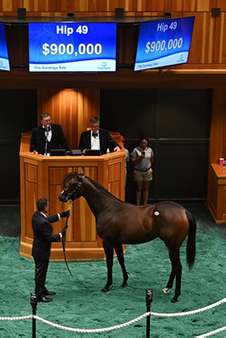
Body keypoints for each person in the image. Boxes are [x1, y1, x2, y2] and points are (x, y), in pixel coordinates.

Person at [32, 198, 70, 303]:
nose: (48, 207)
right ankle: (39, 295)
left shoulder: (36, 216)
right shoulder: (42, 222)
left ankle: (42, 289)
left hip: (38, 250)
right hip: (42, 252)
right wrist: (62, 234)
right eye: (47, 205)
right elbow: (49, 238)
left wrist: (61, 215)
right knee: (40, 274)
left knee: (41, 272)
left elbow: (47, 219)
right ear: (45, 207)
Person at [131, 136, 154, 206]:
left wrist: (148, 165)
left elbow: (152, 159)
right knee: (138, 188)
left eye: (145, 143)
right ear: (140, 143)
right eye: (142, 143)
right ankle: (138, 204)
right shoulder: (136, 150)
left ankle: (145, 204)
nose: (144, 144)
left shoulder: (150, 150)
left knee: (146, 188)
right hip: (138, 171)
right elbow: (132, 161)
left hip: (147, 171)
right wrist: (139, 158)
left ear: (147, 143)